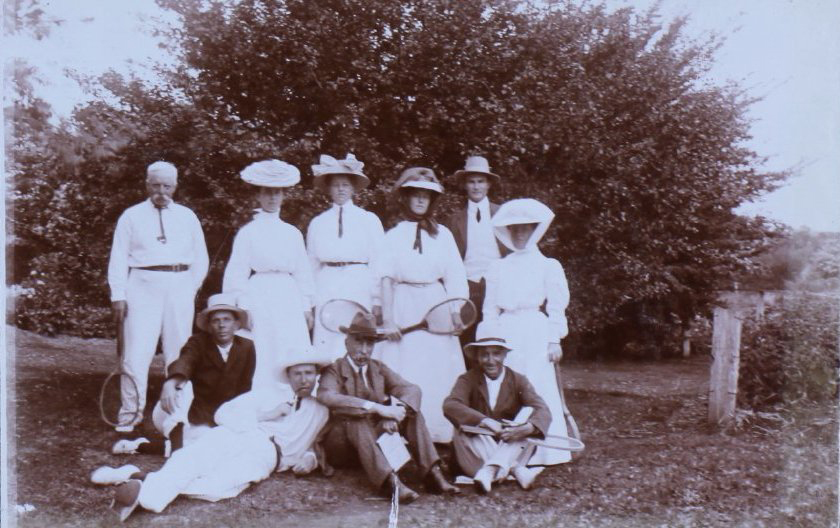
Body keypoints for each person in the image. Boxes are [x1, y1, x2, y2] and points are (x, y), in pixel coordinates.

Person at [98, 347, 332, 522]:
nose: (304, 380)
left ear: (316, 375)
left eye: (309, 373)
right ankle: (145, 495)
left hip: (267, 454)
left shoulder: (322, 411)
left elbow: (318, 444)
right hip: (240, 432)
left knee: (220, 487)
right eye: (298, 374)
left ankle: (139, 480)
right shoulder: (267, 394)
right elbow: (223, 414)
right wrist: (266, 415)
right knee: (192, 459)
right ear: (288, 376)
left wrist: (309, 459)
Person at [108, 161, 209, 433]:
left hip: (179, 285)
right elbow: (118, 258)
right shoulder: (131, 216)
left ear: (175, 187)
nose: (161, 191)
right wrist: (118, 294)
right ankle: (130, 414)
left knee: (179, 352)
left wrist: (191, 287)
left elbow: (201, 257)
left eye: (167, 186)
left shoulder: (187, 216)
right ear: (146, 185)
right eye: (155, 185)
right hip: (141, 285)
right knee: (136, 352)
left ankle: (176, 414)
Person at [317, 312, 460, 504]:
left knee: (413, 414)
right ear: (347, 342)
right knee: (356, 421)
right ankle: (390, 482)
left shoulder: (378, 368)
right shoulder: (334, 369)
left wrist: (395, 415)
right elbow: (327, 396)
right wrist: (376, 408)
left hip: (371, 442)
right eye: (359, 342)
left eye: (370, 344)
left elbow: (411, 389)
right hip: (343, 446)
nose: (364, 350)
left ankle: (432, 474)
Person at [375, 167, 468, 443]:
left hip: (435, 304)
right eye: (414, 195)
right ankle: (402, 431)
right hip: (403, 304)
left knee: (437, 364)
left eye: (425, 196)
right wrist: (388, 319)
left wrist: (454, 312)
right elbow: (385, 278)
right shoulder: (392, 236)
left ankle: (439, 430)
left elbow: (455, 276)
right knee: (403, 363)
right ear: (405, 199)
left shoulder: (443, 235)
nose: (420, 200)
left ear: (432, 200)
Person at [483, 198, 571, 465]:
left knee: (536, 385)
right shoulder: (498, 267)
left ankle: (543, 450)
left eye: (525, 228)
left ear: (534, 230)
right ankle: (505, 449)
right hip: (505, 332)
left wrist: (554, 340)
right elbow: (489, 309)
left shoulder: (548, 265)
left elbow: (557, 306)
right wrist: (488, 342)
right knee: (507, 385)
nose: (520, 234)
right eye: (514, 229)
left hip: (534, 330)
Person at [112, 293, 255, 455]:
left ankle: (141, 446)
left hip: (221, 416)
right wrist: (171, 383)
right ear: (209, 325)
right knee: (184, 387)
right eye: (216, 320)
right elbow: (185, 362)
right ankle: (176, 443)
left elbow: (247, 388)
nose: (222, 325)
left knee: (216, 446)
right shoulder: (198, 343)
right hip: (181, 411)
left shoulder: (247, 348)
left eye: (227, 319)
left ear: (237, 324)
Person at [222, 159, 316, 389]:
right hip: (260, 295)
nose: (272, 198)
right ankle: (262, 399)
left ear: (283, 196)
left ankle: (292, 399)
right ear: (259, 196)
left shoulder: (292, 233)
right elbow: (236, 274)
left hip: (288, 296)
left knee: (289, 345)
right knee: (264, 347)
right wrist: (243, 307)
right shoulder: (248, 233)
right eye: (267, 193)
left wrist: (306, 306)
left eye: (277, 193)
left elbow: (303, 272)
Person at [443, 321, 551, 493]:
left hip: (509, 445)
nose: (490, 360)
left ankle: (488, 472)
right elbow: (450, 405)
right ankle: (516, 470)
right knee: (465, 428)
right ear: (477, 357)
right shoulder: (468, 379)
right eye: (484, 355)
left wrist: (526, 428)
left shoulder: (518, 380)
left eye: (496, 354)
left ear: (505, 355)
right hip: (474, 452)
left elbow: (543, 410)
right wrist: (485, 421)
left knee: (528, 417)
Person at [306, 153, 386, 360]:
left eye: (345, 185)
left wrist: (378, 300)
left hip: (358, 283)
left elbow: (379, 261)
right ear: (328, 189)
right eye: (335, 185)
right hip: (327, 284)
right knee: (328, 337)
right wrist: (310, 301)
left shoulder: (369, 220)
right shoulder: (318, 222)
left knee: (357, 334)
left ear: (353, 189)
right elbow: (311, 264)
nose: (341, 189)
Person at [442, 156, 506, 362]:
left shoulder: (502, 214)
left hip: (496, 287)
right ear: (465, 185)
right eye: (471, 181)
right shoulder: (454, 219)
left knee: (496, 341)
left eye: (480, 181)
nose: (476, 186)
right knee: (466, 345)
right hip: (467, 288)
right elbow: (450, 261)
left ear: (488, 184)